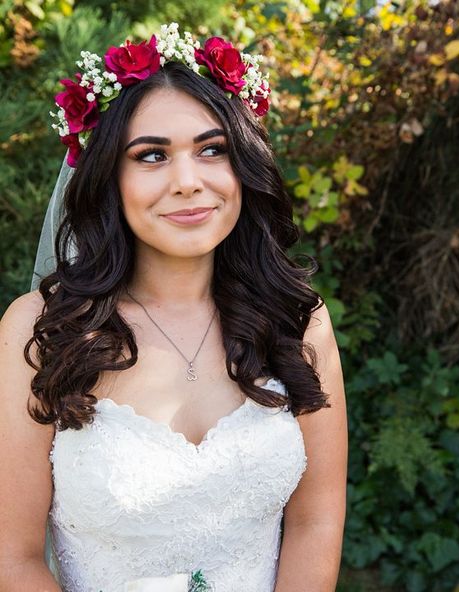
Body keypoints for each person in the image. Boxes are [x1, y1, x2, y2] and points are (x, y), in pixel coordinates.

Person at [0, 23, 347, 592]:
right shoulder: (39, 331)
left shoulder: (299, 321)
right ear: (108, 176)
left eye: (212, 149)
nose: (188, 182)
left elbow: (316, 522)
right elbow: (12, 558)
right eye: (152, 155)